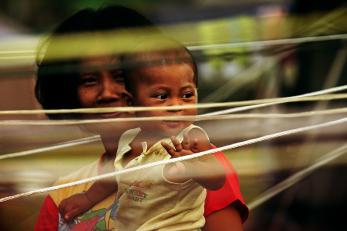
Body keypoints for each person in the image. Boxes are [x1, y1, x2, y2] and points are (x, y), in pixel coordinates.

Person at [34, 5, 248, 231]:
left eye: (119, 76)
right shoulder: (63, 192)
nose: (107, 93)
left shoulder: (197, 162)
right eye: (88, 80)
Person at [58, 36, 227, 230]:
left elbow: (217, 179)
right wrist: (87, 198)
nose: (176, 106)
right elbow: (115, 176)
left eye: (186, 95)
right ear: (131, 102)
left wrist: (195, 166)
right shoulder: (128, 139)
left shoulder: (191, 138)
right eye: (162, 96)